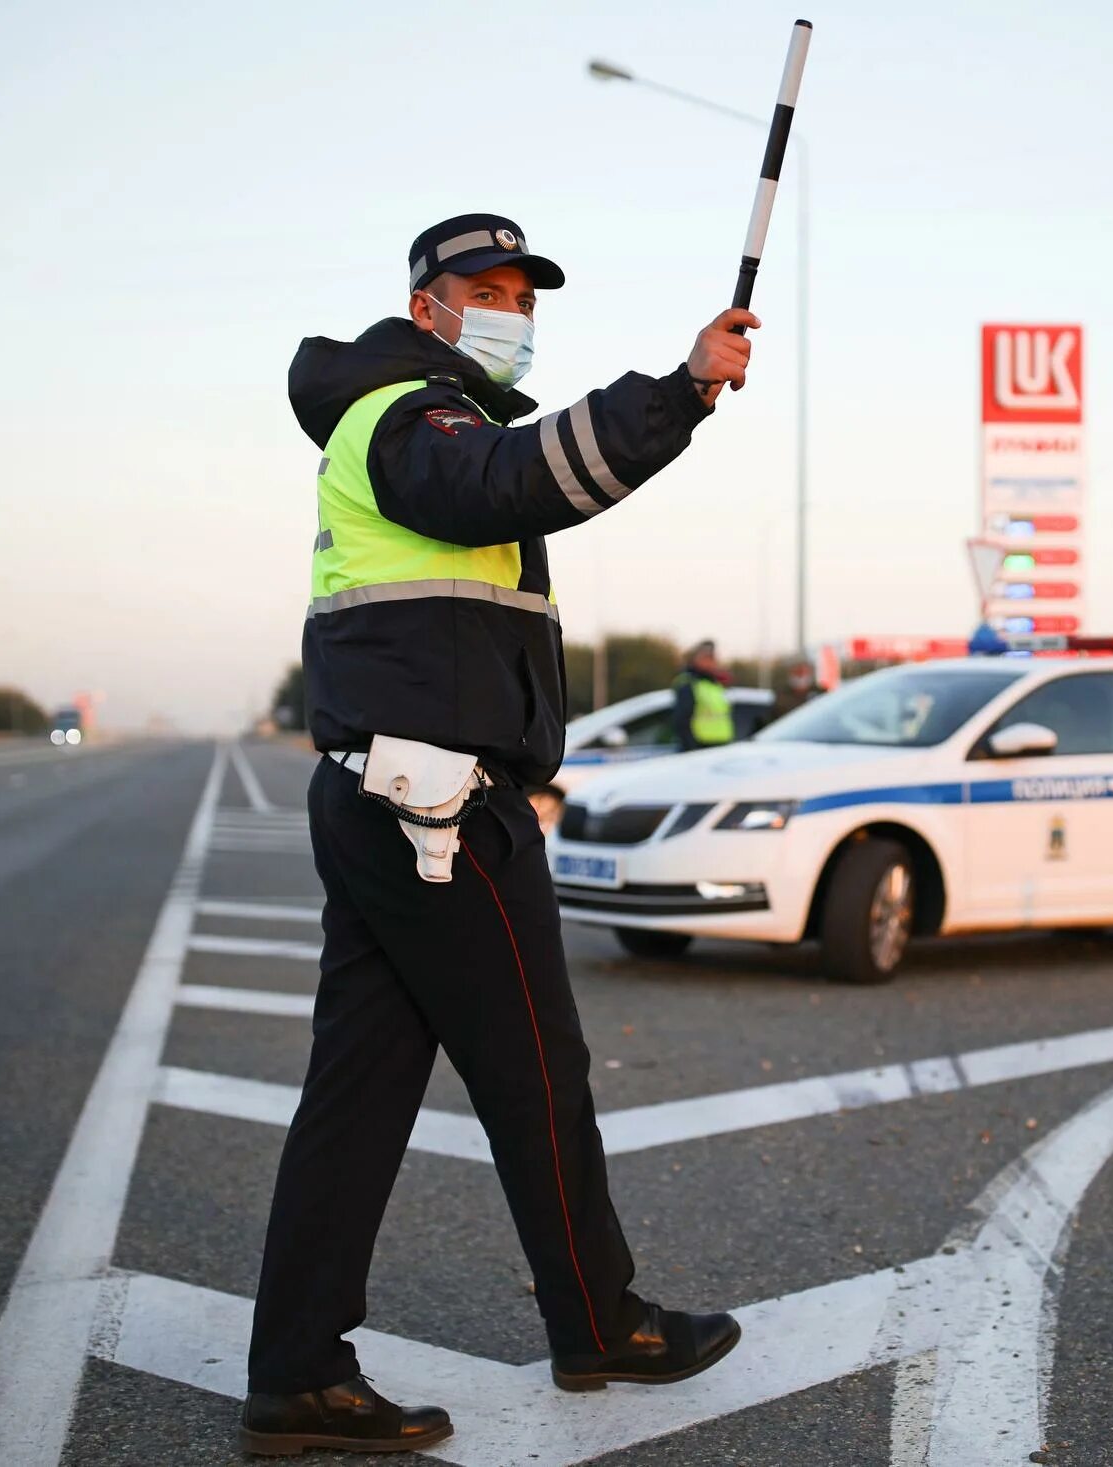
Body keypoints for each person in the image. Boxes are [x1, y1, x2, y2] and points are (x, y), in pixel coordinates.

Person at [240, 212, 756, 1457]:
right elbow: (514, 478)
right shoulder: (409, 417)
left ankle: (298, 1375)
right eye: (487, 287)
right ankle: (599, 1326)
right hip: (434, 811)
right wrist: (680, 390)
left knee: (357, 1097)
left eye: (524, 290)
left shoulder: (418, 413)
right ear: (428, 306)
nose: (511, 308)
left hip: (390, 795)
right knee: (534, 1071)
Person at [670, 640, 735, 753]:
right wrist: (691, 750)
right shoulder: (689, 683)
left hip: (719, 748)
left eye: (712, 658)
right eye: (706, 658)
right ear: (696, 659)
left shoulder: (715, 685)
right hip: (699, 750)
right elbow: (682, 720)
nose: (711, 662)